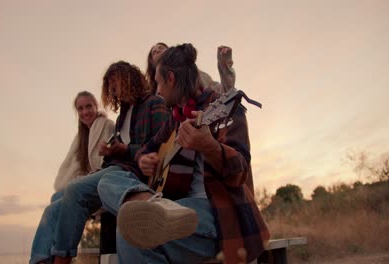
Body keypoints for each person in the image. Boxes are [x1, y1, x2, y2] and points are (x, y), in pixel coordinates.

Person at [97, 44, 270, 264]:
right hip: (175, 209)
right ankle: (155, 205)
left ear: (170, 79)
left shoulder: (223, 107)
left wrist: (210, 147)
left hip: (217, 216)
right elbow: (147, 147)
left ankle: (155, 209)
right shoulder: (174, 119)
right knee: (106, 181)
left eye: (159, 83)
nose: (157, 91)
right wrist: (143, 159)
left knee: (134, 232)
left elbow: (240, 172)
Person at [29, 61, 168, 264]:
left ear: (129, 79)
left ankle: (62, 259)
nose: (113, 89)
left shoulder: (153, 103)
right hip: (114, 170)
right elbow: (120, 154)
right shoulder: (122, 118)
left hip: (130, 177)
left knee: (75, 189)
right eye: (110, 85)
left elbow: (161, 144)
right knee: (52, 209)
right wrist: (110, 152)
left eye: (116, 82)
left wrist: (124, 150)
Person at [51, 91, 114, 202]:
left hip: (101, 181)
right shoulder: (80, 138)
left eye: (88, 106)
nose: (85, 112)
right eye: (80, 109)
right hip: (84, 181)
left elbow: (106, 162)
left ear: (96, 106)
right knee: (56, 197)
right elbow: (75, 167)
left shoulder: (107, 126)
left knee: (58, 198)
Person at [146, 42, 236, 95]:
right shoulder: (152, 94)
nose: (157, 50)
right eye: (154, 52)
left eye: (161, 48)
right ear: (152, 63)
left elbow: (225, 92)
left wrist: (224, 64)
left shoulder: (197, 74)